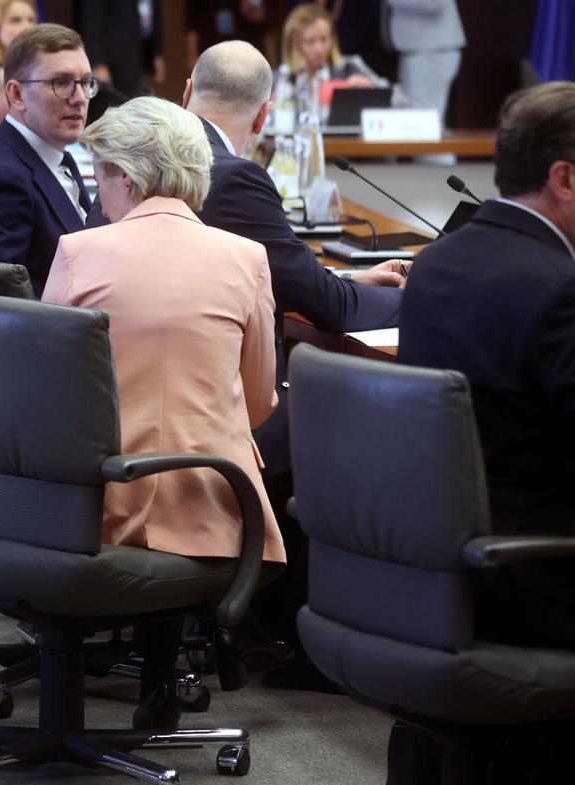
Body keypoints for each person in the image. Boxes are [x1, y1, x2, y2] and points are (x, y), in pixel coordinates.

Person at [185, 40, 407, 688]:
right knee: (340, 417)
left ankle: (262, 612)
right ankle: (302, 635)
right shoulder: (230, 173)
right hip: (207, 409)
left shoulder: (157, 153)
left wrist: (341, 273)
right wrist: (410, 291)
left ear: (187, 89)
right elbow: (325, 303)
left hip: (142, 395)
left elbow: (276, 273)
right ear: (263, 118)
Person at [42, 95, 285, 566]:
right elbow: (257, 404)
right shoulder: (248, 257)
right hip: (216, 506)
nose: (97, 197)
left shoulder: (77, 252)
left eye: (98, 179)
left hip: (98, 506)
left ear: (126, 177)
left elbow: (47, 395)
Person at [399, 81, 575, 653]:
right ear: (564, 179)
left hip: (432, 567)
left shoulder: (433, 265)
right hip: (536, 580)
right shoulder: (557, 289)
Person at [0, 23, 96, 297]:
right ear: (17, 95)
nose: (79, 99)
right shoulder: (4, 177)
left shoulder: (56, 153)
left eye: (86, 83)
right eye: (61, 83)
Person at [280, 3, 382, 120]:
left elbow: (399, 99)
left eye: (324, 39)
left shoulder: (349, 67)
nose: (319, 49)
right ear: (293, 44)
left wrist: (371, 92)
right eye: (310, 41)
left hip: (343, 138)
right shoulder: (283, 77)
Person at [385, 0, 465, 118]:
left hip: (432, 48)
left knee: (423, 119)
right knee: (414, 116)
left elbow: (434, 3)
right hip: (419, 47)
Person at [80, 0, 164, 98]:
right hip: (113, 60)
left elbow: (152, 12)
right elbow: (91, 18)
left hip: (137, 57)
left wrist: (156, 52)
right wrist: (96, 62)